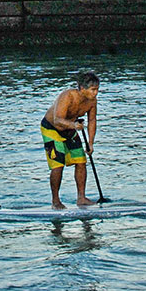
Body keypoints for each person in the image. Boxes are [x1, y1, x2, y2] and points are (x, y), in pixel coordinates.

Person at [40, 71, 100, 209]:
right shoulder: (68, 96)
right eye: (93, 90)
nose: (95, 93)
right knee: (58, 165)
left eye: (97, 90)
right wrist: (73, 125)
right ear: (82, 88)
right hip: (52, 129)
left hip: (71, 130)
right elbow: (57, 119)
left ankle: (81, 198)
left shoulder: (92, 101)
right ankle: (55, 201)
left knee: (81, 161)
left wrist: (91, 143)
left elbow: (92, 120)